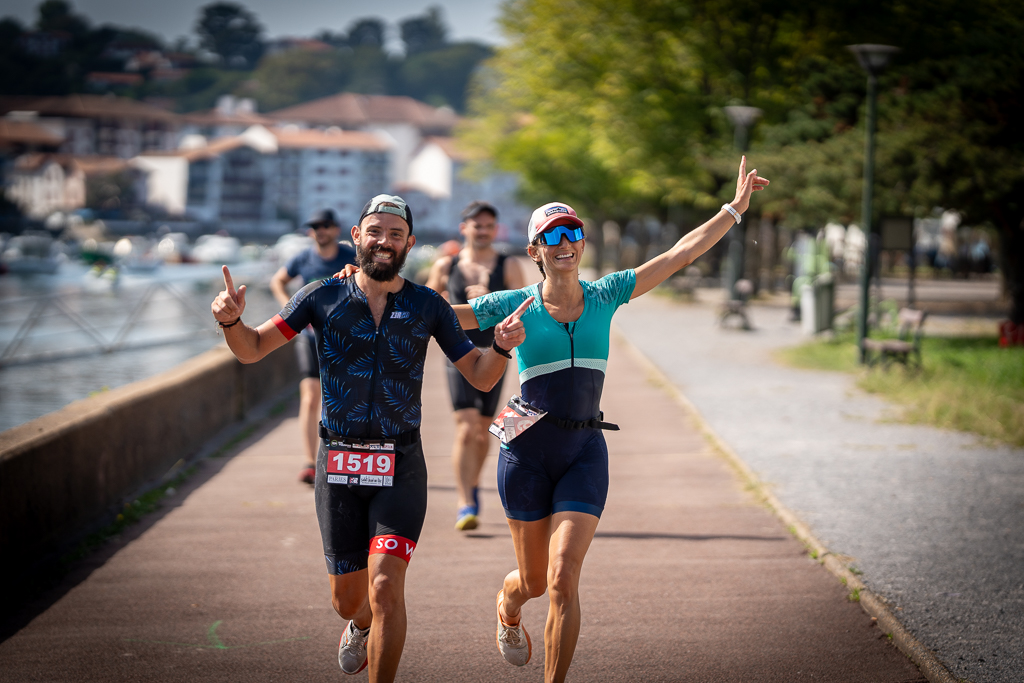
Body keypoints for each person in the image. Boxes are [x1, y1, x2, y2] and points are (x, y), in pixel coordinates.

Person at [456, 158, 769, 682]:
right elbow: (440, 317)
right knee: (532, 582)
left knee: (561, 578)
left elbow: (679, 253)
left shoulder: (607, 293)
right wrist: (371, 291)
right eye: (551, 235)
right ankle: (508, 606)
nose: (564, 242)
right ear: (535, 250)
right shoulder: (513, 304)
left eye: (572, 232)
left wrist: (733, 210)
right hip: (523, 448)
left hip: (583, 449)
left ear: (582, 243)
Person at [211, 194, 533, 682]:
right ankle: (358, 625)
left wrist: (503, 348)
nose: (385, 241)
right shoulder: (320, 296)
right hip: (337, 462)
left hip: (400, 464)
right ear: (356, 238)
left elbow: (481, 377)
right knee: (349, 601)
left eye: (395, 234)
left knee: (386, 587)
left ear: (410, 244)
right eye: (375, 232)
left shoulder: (429, 306)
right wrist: (230, 320)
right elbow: (252, 349)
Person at [426, 201, 525, 531]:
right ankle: (464, 500)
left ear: (495, 230)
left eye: (488, 226)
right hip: (459, 355)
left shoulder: (508, 265)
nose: (482, 231)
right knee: (466, 428)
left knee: (483, 433)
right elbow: (425, 306)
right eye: (476, 225)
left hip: (495, 355)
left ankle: (473, 488)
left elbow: (527, 309)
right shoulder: (446, 264)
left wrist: (489, 303)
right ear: (463, 228)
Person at [269, 209, 356, 485]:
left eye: (326, 226)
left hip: (345, 340)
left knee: (346, 398)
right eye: (315, 226)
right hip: (308, 339)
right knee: (309, 395)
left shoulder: (349, 257)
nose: (320, 231)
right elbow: (277, 281)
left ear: (336, 229)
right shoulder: (303, 258)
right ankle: (311, 463)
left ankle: (346, 457)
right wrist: (292, 309)